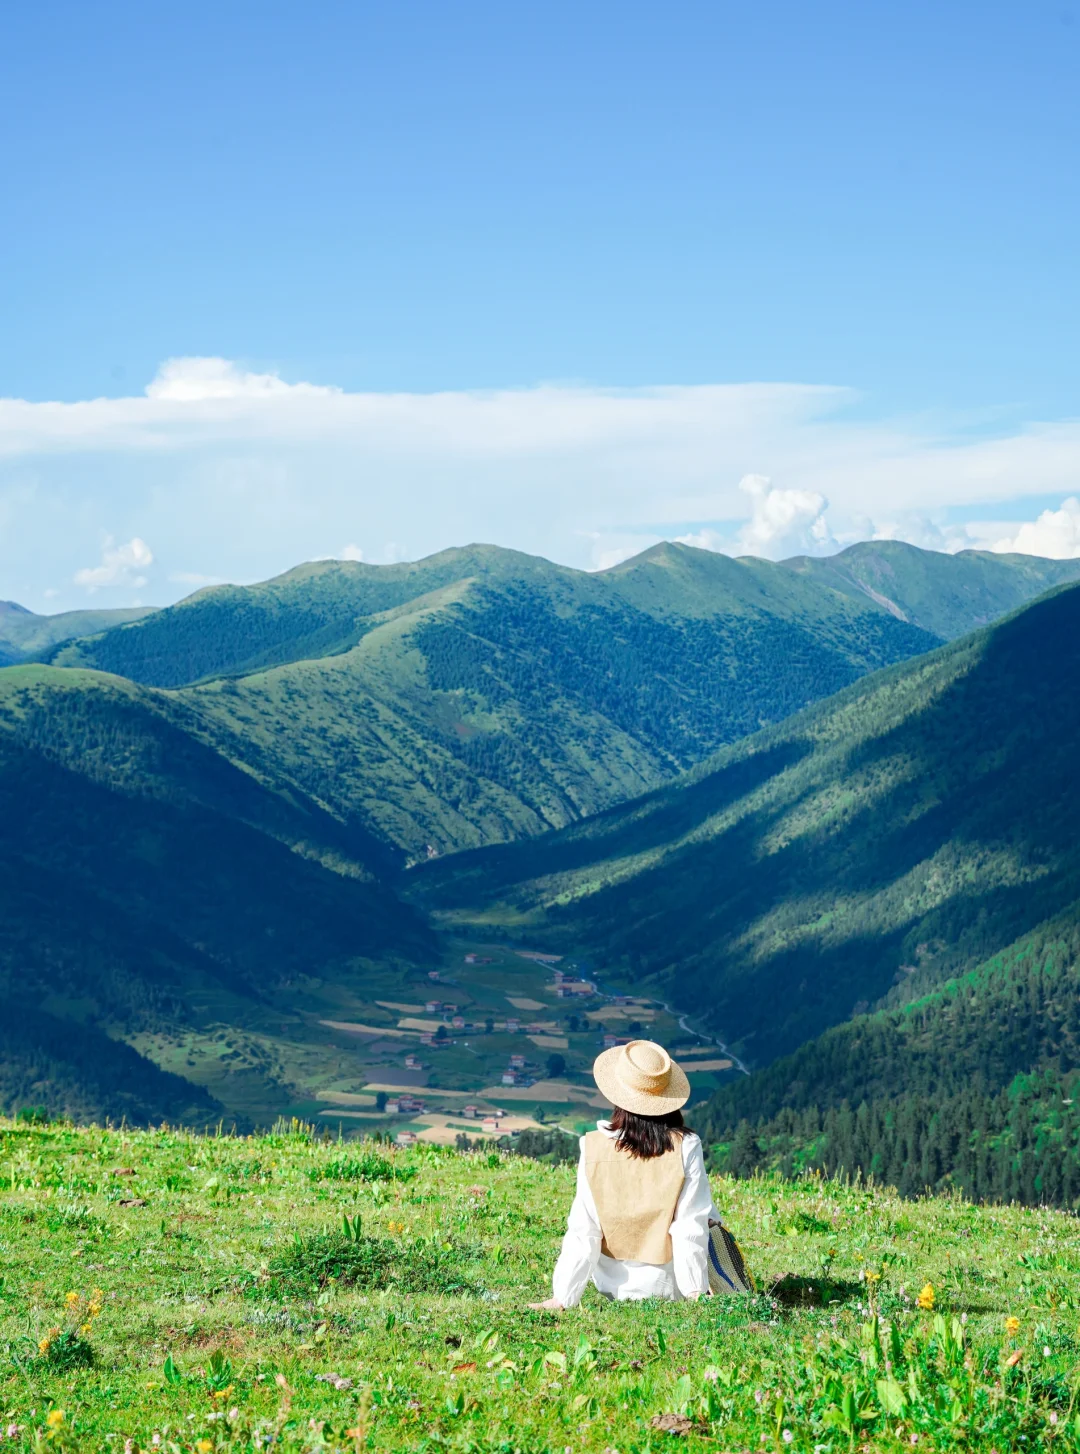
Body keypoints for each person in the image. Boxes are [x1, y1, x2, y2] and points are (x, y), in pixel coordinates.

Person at [528, 1039, 720, 1311]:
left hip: (612, 1285)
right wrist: (695, 1293)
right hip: (671, 1285)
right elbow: (690, 1227)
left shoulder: (592, 1146)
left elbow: (585, 1229)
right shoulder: (686, 1146)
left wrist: (563, 1297)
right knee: (704, 1209)